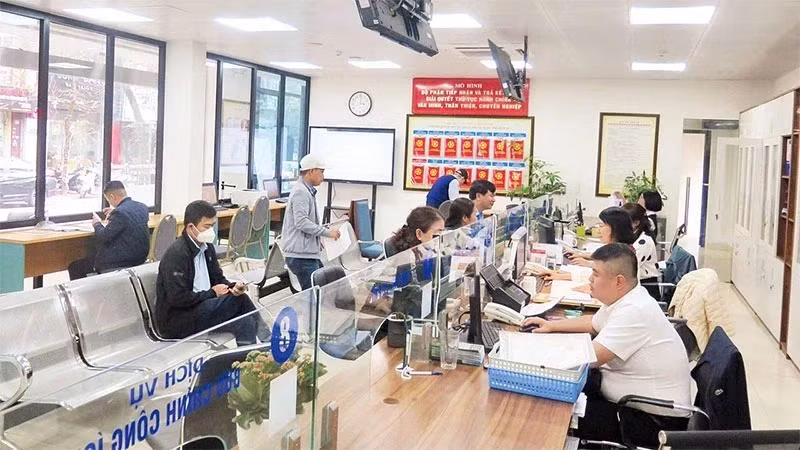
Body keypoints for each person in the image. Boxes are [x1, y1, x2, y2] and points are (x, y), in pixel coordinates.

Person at [522, 244, 690, 447]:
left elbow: (590, 357)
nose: (590, 279)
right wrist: (551, 326)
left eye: (595, 273)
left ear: (619, 281)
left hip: (649, 422)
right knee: (555, 397)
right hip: (631, 406)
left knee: (548, 412)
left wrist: (529, 355)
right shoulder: (626, 298)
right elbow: (593, 323)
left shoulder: (635, 310)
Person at [156, 200, 258, 345]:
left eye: (213, 226)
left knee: (245, 320)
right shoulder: (177, 254)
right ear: (191, 227)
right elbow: (177, 299)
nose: (211, 231)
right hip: (179, 319)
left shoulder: (206, 247)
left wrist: (232, 287)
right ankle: (270, 340)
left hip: (203, 308)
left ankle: (251, 361)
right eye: (207, 226)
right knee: (240, 301)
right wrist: (212, 293)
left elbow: (218, 279)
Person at [67, 180, 149, 280]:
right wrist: (115, 212)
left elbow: (103, 236)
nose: (109, 203)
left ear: (112, 196)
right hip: (139, 258)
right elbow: (129, 219)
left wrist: (97, 223)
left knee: (75, 267)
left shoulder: (120, 213)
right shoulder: (142, 207)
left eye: (108, 200)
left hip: (120, 261)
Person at [281, 154, 340, 290]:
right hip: (301, 257)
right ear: (311, 171)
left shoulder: (307, 190)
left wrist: (316, 238)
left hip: (306, 254)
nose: (323, 176)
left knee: (321, 291)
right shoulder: (301, 192)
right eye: (321, 172)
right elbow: (301, 222)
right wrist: (327, 233)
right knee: (313, 297)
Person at [622, 203, 660, 299]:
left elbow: (627, 265)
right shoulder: (633, 236)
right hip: (635, 284)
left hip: (645, 289)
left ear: (636, 223)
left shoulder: (644, 242)